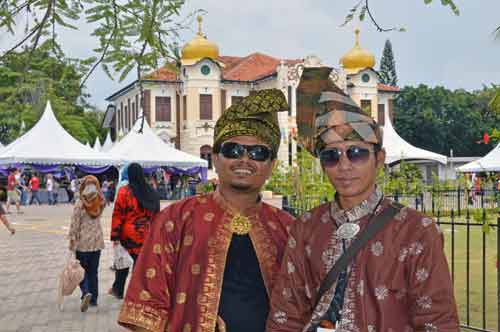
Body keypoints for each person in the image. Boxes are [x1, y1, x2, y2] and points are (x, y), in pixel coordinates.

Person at [266, 67, 459, 332]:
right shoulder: (307, 228)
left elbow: (437, 321)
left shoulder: (416, 231)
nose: (344, 166)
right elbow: (286, 315)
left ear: (379, 159)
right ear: (323, 165)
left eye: (356, 153)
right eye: (331, 156)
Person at [117, 89, 295, 332]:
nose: (245, 159)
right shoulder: (175, 220)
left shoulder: (288, 228)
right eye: (233, 150)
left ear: (272, 164)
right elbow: (145, 309)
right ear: (215, 158)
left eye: (258, 153)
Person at [108, 163, 160, 300]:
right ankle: (139, 293)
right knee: (141, 265)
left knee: (123, 263)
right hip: (147, 234)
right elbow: (157, 215)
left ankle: (118, 290)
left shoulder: (125, 192)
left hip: (128, 235)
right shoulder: (151, 192)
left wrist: (115, 236)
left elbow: (118, 214)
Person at [68, 175, 106, 312]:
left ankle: (85, 292)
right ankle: (94, 299)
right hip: (97, 242)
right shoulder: (101, 201)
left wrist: (72, 241)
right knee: (93, 271)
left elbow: (74, 224)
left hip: (82, 243)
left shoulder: (80, 203)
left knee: (81, 271)